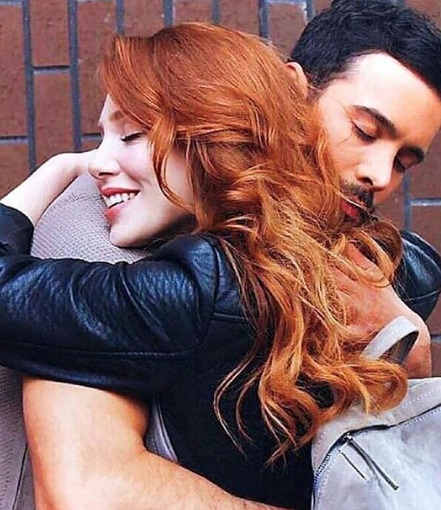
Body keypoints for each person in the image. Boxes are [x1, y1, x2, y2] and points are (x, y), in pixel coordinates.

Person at [4, 0, 441, 508]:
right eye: (365, 131)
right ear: (290, 91)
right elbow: (86, 494)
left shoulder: (390, 273)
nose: (380, 175)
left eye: (404, 162)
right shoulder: (112, 239)